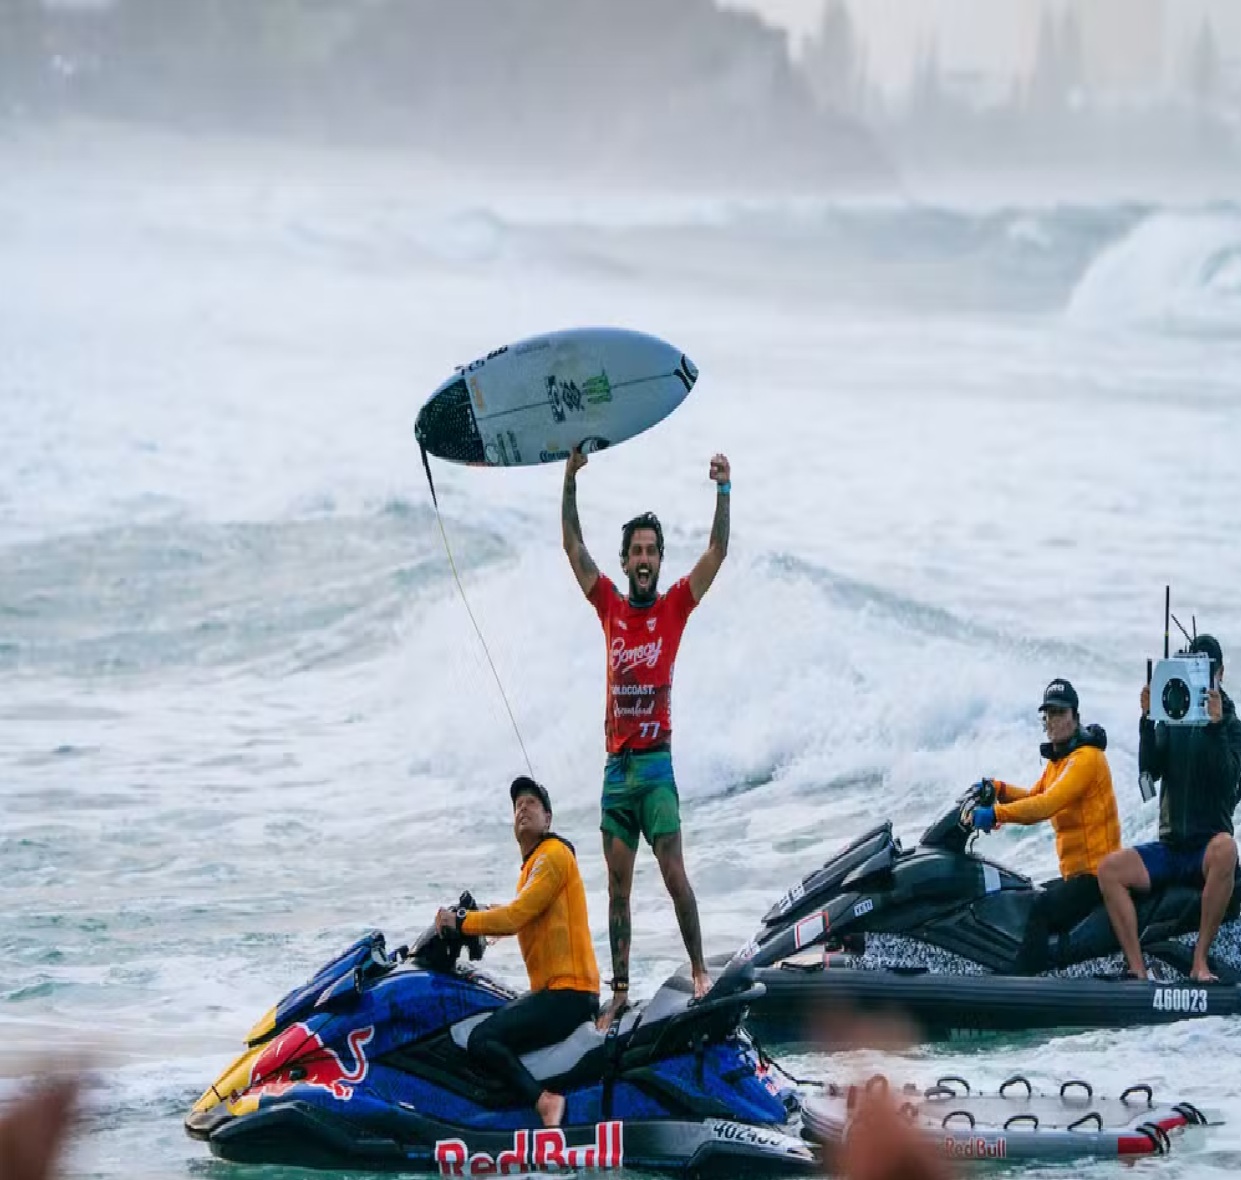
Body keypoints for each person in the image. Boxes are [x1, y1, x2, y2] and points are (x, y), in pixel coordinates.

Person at [561, 446, 730, 1028]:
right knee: (617, 889)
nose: (643, 559)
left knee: (674, 873)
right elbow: (573, 548)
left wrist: (723, 490)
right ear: (625, 559)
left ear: (659, 560)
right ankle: (619, 992)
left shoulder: (675, 607)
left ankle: (700, 971)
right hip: (617, 771)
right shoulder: (609, 604)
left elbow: (716, 552)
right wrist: (570, 480)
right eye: (635, 551)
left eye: (651, 551)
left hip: (656, 767)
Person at [435, 777, 599, 1127]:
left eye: (532, 804)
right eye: (518, 806)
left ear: (548, 819)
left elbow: (515, 916)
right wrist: (479, 917)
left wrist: (461, 921)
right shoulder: (533, 867)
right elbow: (519, 913)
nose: (523, 809)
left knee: (482, 1039)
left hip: (567, 994)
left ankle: (543, 1101)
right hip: (558, 993)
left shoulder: (553, 855)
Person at [1098, 634, 1241, 981]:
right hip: (1171, 847)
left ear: (1219, 673)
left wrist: (1216, 726)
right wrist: (1148, 720)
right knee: (1109, 870)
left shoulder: (1233, 727)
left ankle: (1199, 962)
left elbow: (1228, 781)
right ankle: (1137, 967)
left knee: (1227, 849)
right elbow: (1151, 769)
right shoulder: (1173, 715)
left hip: (1206, 848)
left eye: (1205, 668)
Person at [970, 678, 1121, 944]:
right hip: (1075, 877)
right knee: (1026, 895)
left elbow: (1046, 805)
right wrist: (999, 788)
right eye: (1048, 714)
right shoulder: (1058, 762)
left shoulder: (1087, 759)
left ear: (1075, 718)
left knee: (1039, 909)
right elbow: (1034, 796)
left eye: (1060, 713)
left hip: (1097, 877)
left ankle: (1027, 971)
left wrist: (996, 814)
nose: (1052, 720)